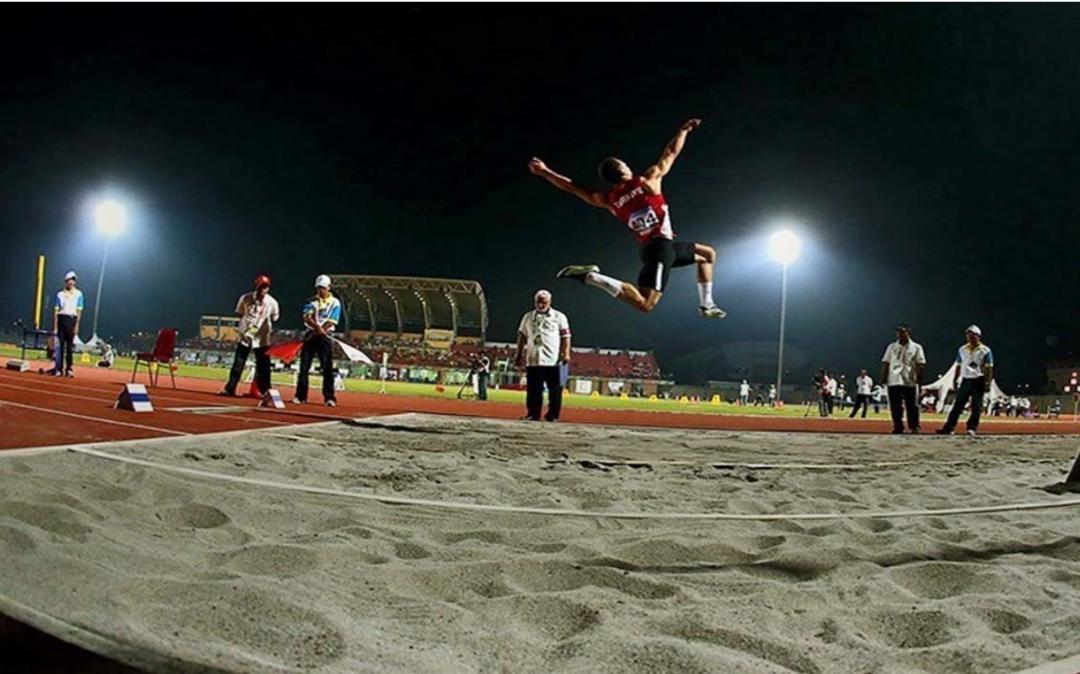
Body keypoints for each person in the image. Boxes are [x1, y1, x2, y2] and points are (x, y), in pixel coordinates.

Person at [528, 119, 726, 319]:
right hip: (660, 250)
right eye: (624, 163)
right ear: (623, 169)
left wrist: (545, 172)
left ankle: (706, 305)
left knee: (707, 254)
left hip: (657, 249)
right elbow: (670, 153)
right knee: (645, 304)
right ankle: (590, 276)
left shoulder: (608, 199)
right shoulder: (648, 181)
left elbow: (572, 187)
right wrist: (683, 131)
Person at [515, 289, 571, 421]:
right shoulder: (528, 317)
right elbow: (522, 336)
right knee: (533, 390)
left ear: (550, 302)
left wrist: (566, 353)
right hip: (533, 358)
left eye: (544, 302)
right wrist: (518, 354)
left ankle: (553, 415)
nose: (541, 305)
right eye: (538, 302)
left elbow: (566, 336)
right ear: (535, 302)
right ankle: (533, 414)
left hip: (553, 359)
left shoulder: (559, 317)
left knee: (555, 390)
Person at [220, 275, 280, 398]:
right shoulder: (245, 298)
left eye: (265, 287)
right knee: (238, 363)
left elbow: (275, 317)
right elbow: (240, 313)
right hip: (245, 336)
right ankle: (230, 388)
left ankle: (266, 392)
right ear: (256, 287)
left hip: (262, 338)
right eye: (260, 287)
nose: (262, 290)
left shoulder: (272, 302)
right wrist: (245, 328)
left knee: (263, 366)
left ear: (268, 288)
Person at [293, 274, 342, 407]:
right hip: (311, 335)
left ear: (329, 288)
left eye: (323, 288)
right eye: (318, 288)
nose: (320, 291)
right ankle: (300, 396)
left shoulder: (335, 302)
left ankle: (329, 398)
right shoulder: (311, 301)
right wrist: (317, 329)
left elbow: (332, 320)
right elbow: (307, 317)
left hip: (325, 336)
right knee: (304, 367)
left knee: (327, 368)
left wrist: (320, 330)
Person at [937, 325, 994, 436]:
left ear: (978, 336)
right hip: (966, 380)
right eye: (968, 335)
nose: (969, 337)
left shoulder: (985, 350)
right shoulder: (962, 349)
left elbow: (989, 368)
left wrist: (988, 382)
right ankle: (949, 427)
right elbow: (958, 365)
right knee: (958, 405)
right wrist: (955, 379)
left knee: (976, 406)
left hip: (979, 380)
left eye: (972, 335)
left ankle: (971, 428)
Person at [880, 324, 927, 434]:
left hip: (909, 380)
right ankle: (898, 426)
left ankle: (914, 426)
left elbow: (921, 363)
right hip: (894, 380)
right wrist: (883, 376)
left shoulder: (916, 347)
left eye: (903, 332)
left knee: (912, 406)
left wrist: (919, 378)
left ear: (908, 334)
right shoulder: (891, 347)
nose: (900, 334)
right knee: (895, 406)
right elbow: (886, 362)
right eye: (898, 332)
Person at [52, 270, 84, 377]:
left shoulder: (79, 294)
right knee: (60, 347)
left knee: (69, 347)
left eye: (73, 280)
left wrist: (77, 325)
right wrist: (55, 326)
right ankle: (58, 369)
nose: (71, 282)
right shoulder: (60, 294)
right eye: (69, 280)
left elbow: (79, 311)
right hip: (62, 318)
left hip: (72, 319)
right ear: (66, 282)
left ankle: (69, 368)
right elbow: (56, 311)